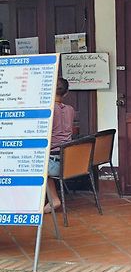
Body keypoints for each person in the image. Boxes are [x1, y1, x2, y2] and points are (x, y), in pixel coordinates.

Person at [44, 78, 75, 213]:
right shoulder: (71, 110)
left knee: (38, 164)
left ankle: (54, 199)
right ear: (66, 93)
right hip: (69, 160)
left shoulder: (48, 110)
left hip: (53, 163)